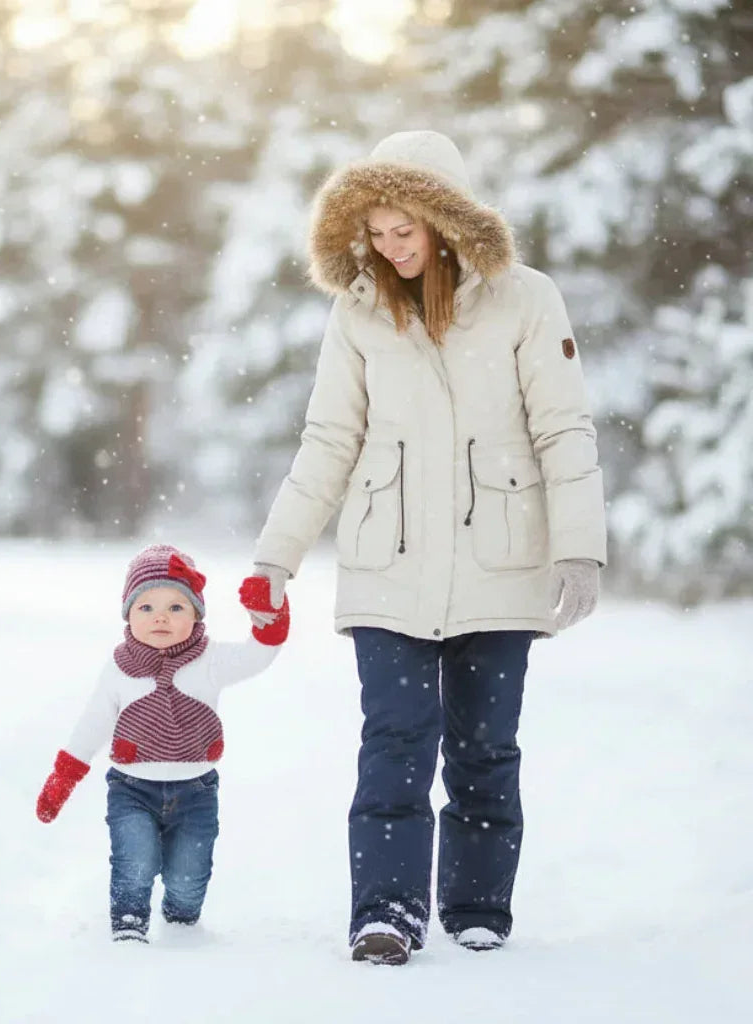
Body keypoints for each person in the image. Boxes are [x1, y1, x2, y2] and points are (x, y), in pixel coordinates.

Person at [251, 130, 607, 965]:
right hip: (391, 560)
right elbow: (330, 437)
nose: (389, 247)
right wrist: (277, 556)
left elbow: (563, 427)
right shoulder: (358, 311)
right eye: (374, 232)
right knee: (395, 743)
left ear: (445, 217)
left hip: (501, 556)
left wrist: (580, 546)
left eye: (403, 229)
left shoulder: (526, 300)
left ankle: (478, 907)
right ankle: (385, 912)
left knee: (485, 746)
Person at [35, 543, 290, 943]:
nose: (160, 619)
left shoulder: (210, 659)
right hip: (131, 789)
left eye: (176, 608)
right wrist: (63, 777)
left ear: (196, 614)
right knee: (134, 861)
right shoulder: (120, 668)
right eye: (146, 608)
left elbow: (258, 656)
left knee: (189, 876)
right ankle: (129, 928)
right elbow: (93, 724)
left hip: (197, 791)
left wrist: (269, 618)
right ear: (128, 614)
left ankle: (182, 925)